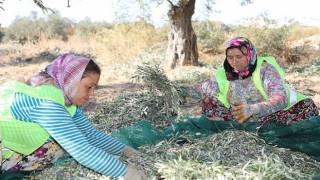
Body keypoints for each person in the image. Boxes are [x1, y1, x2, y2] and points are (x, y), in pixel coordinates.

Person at [0, 53, 146, 179]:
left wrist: (127, 151)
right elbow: (81, 149)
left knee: (62, 143)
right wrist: (128, 174)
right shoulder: (47, 103)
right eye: (88, 87)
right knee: (64, 144)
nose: (92, 94)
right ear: (71, 80)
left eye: (95, 88)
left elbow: (90, 135)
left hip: (12, 149)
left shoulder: (67, 102)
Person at [180, 36, 319, 125]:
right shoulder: (225, 73)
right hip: (245, 116)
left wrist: (253, 109)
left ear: (249, 54)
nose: (234, 62)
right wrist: (176, 89)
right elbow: (201, 90)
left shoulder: (265, 69)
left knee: (300, 112)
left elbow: (279, 98)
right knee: (209, 104)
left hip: (279, 112)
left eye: (239, 56)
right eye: (230, 57)